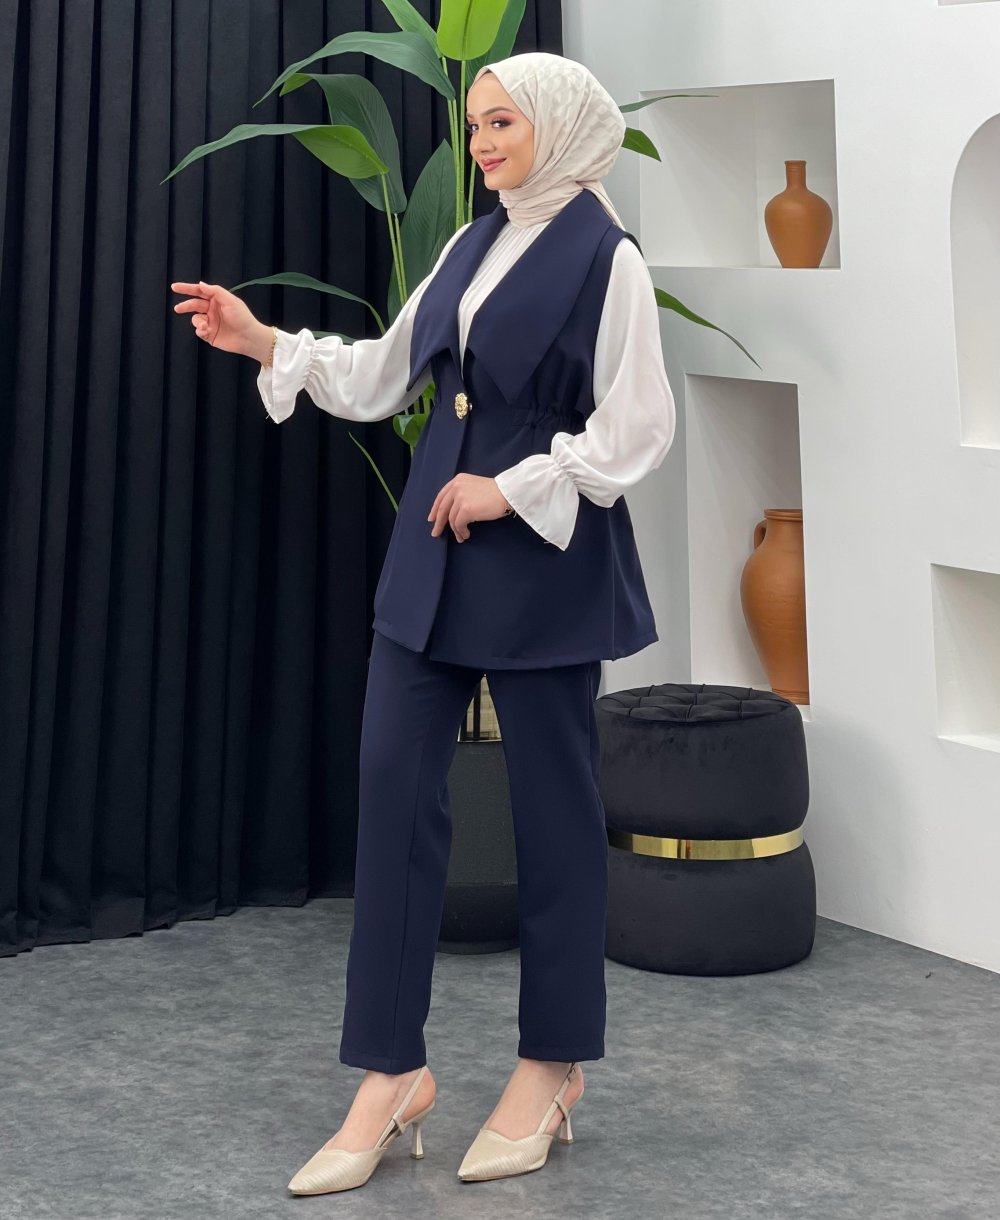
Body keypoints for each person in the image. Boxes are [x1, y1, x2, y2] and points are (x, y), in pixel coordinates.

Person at [170, 50, 676, 1194]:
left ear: (558, 127)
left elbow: (638, 425)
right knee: (392, 787)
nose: (482, 143)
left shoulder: (610, 259)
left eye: (503, 124)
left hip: (539, 563)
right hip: (432, 561)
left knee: (553, 815)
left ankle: (551, 1064)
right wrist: (265, 342)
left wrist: (513, 486)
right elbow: (386, 372)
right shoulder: (469, 243)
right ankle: (391, 1071)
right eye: (476, 124)